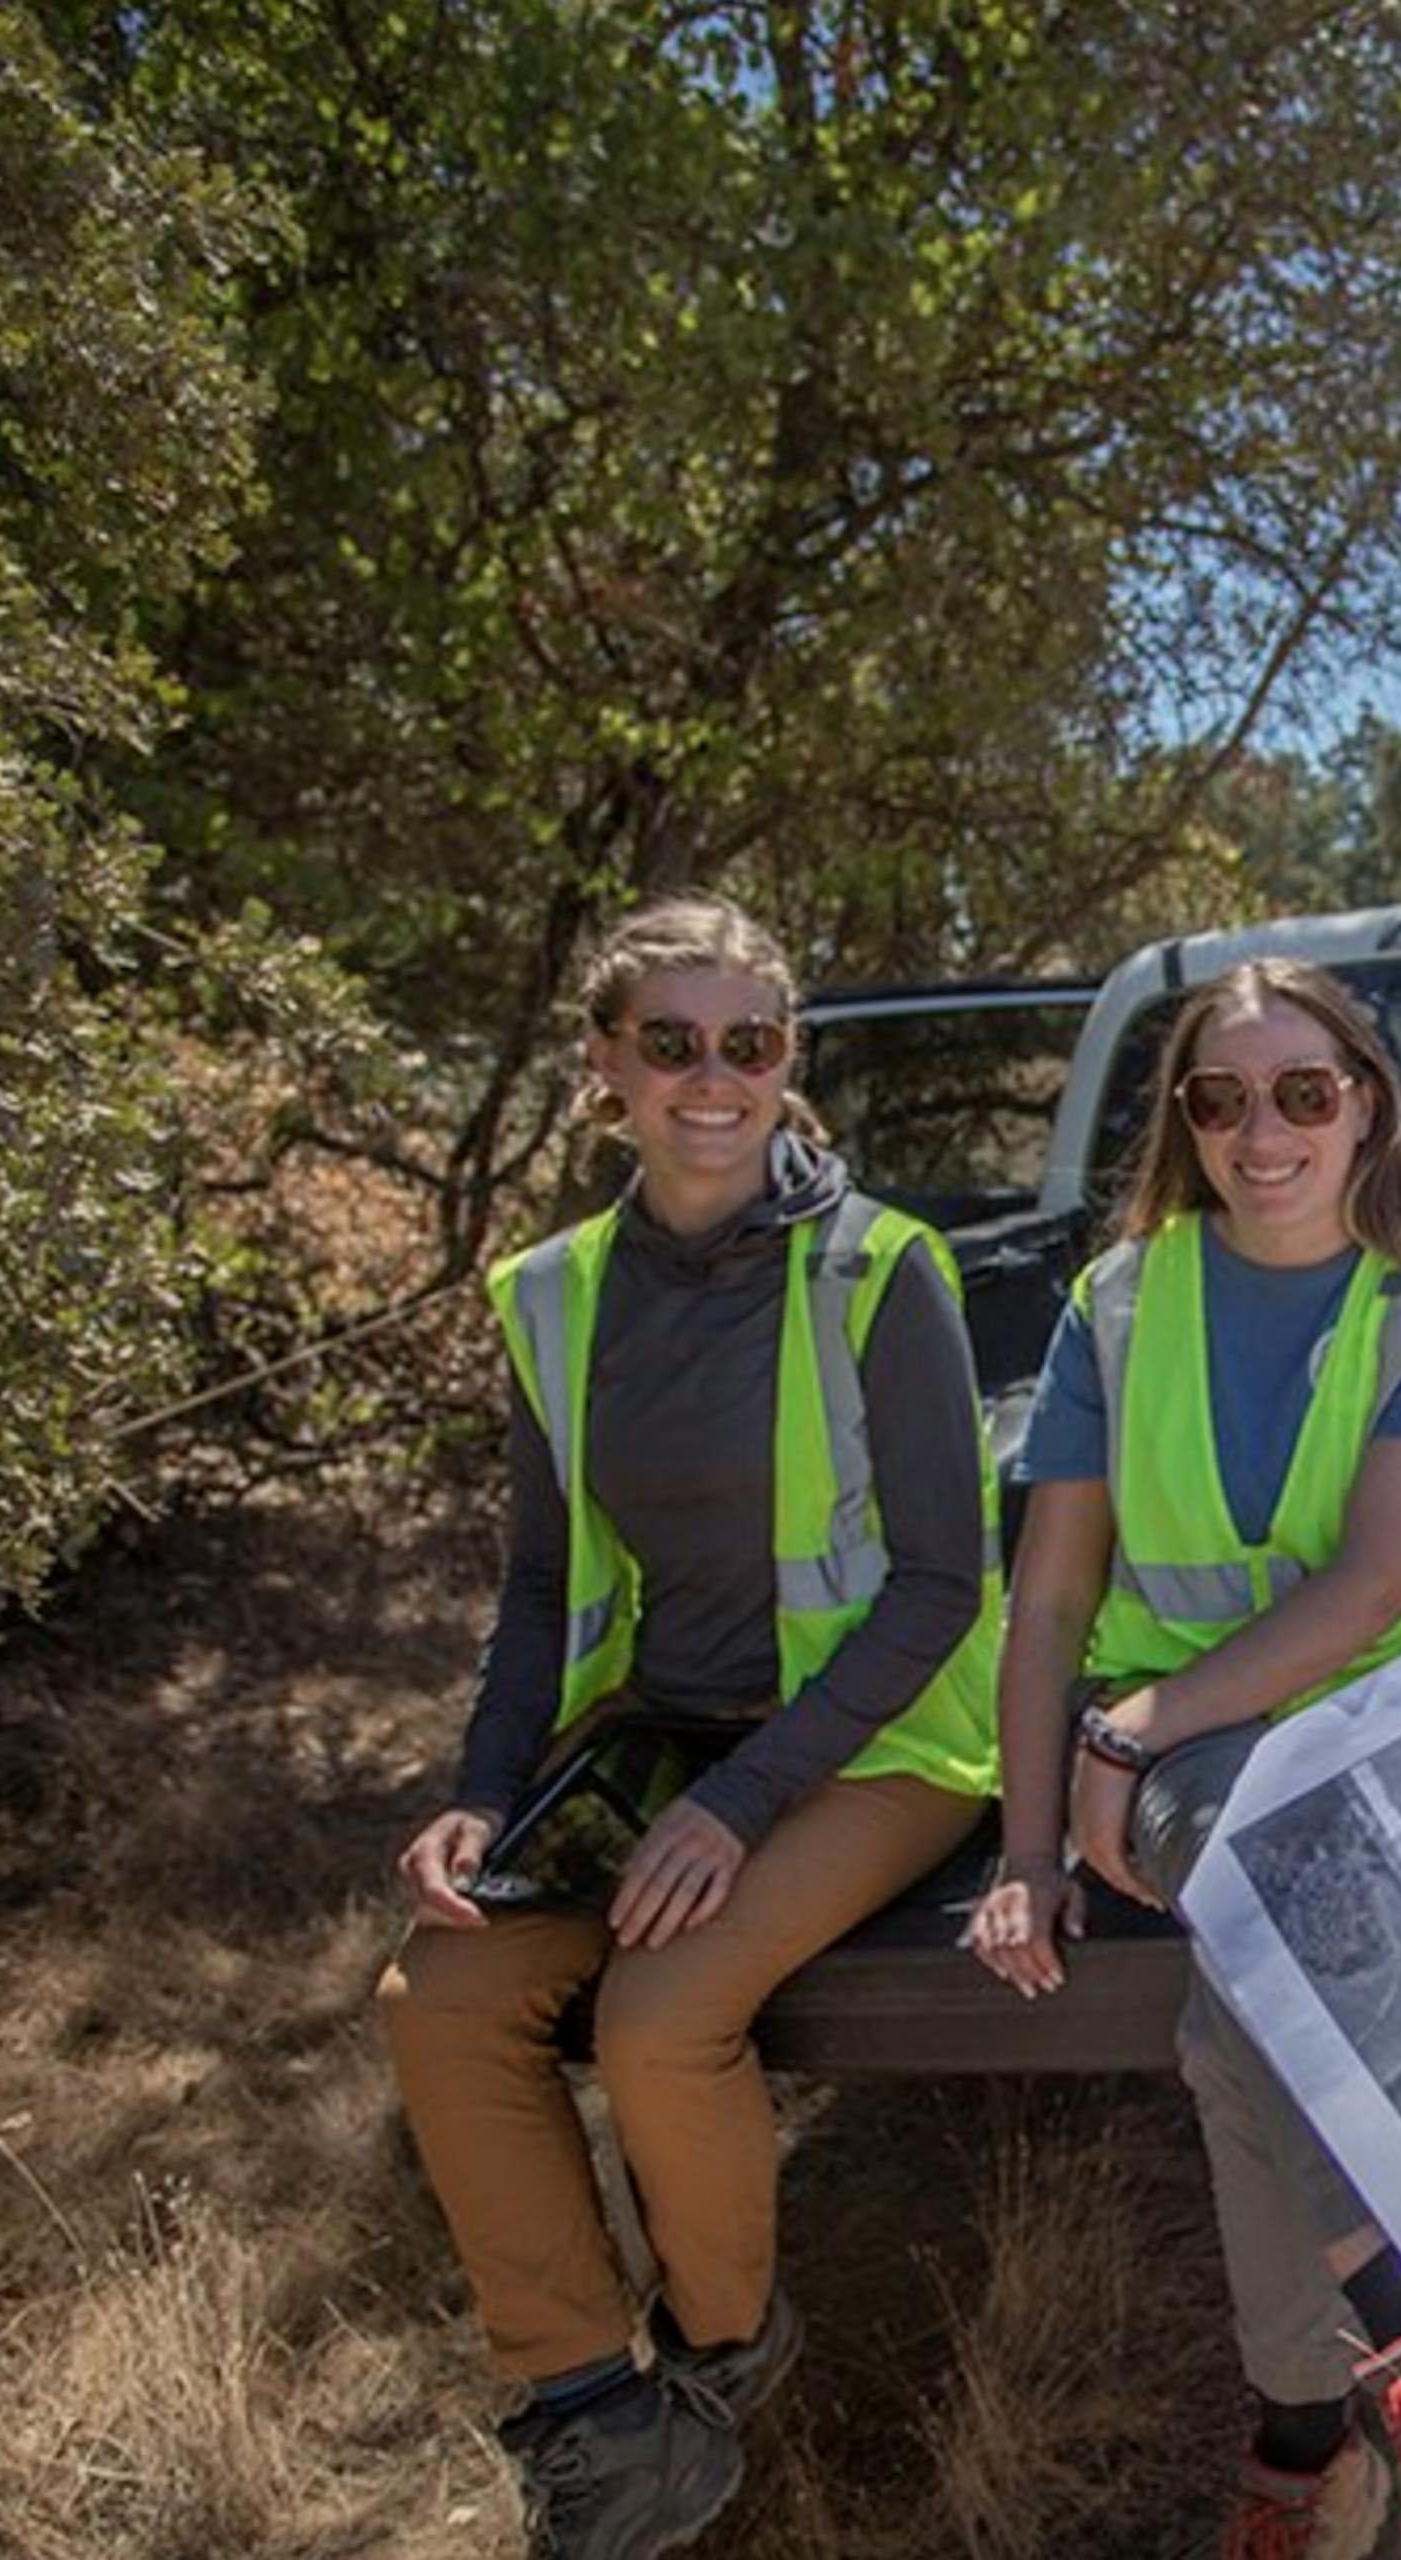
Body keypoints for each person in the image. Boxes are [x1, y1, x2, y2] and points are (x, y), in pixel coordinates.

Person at [377, 895, 1002, 2560]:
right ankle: (594, 2410)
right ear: (607, 1067)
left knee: (660, 2019)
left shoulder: (883, 1270)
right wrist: (481, 1794)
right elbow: (530, 1585)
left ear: (789, 1063)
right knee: (437, 1997)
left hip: (873, 1749)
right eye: (672, 1045)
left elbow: (943, 1584)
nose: (711, 1081)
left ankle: (727, 2355)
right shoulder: (554, 1296)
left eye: (750, 1044)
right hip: (657, 1741)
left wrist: (738, 1806)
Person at [963, 957, 1401, 2560]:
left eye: (1306, 1090)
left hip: (1391, 1726)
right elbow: (1056, 1595)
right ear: (1186, 1123)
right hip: (1196, 1773)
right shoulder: (1120, 1299)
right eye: (1222, 1099)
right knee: (1256, 1879)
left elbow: (1374, 1588)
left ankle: (1328, 2425)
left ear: (1368, 1102)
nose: (1264, 1129)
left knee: (1237, 2033)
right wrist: (1028, 1850)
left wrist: (1125, 1729)